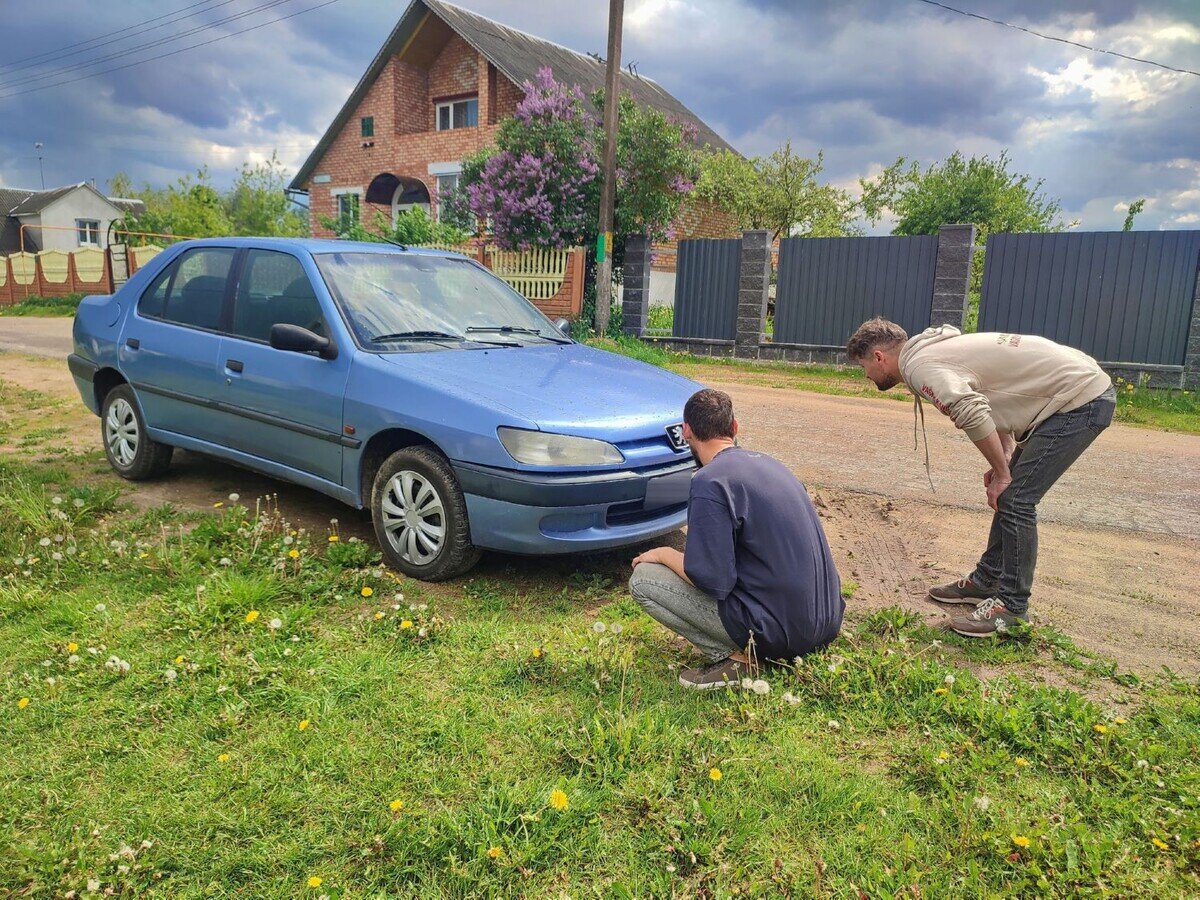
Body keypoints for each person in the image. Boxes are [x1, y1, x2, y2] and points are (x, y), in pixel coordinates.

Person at [845, 318, 1116, 637]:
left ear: (878, 356)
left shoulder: (922, 367)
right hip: (1073, 391)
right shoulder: (934, 351)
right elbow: (988, 396)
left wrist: (1002, 472)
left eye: (863, 366)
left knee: (1016, 500)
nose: (865, 374)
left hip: (1079, 402)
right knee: (1010, 495)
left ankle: (1012, 609)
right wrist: (1002, 460)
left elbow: (971, 411)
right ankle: (987, 581)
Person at [629, 388, 844, 690]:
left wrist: (664, 553)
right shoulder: (773, 464)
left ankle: (739, 660)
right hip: (827, 623)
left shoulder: (710, 480)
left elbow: (712, 579)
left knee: (643, 579)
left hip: (781, 634)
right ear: (735, 428)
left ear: (686, 431)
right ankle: (752, 646)